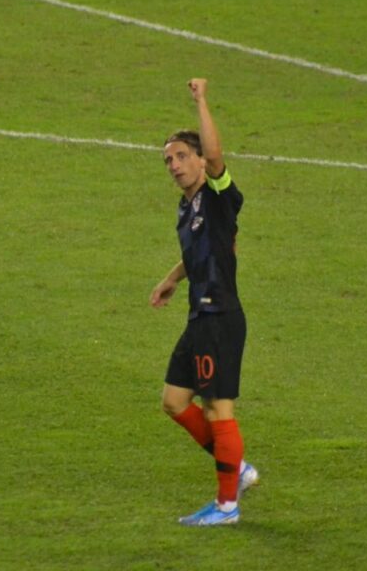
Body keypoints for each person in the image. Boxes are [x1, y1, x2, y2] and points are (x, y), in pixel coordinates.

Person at [150, 78, 258, 526]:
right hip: (199, 316)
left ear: (198, 160)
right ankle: (239, 469)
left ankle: (227, 506)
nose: (174, 165)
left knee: (218, 408)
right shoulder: (186, 208)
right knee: (174, 401)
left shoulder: (217, 195)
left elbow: (216, 157)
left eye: (181, 156)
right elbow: (198, 251)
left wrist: (201, 100)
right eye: (168, 160)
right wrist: (172, 278)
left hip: (220, 317)